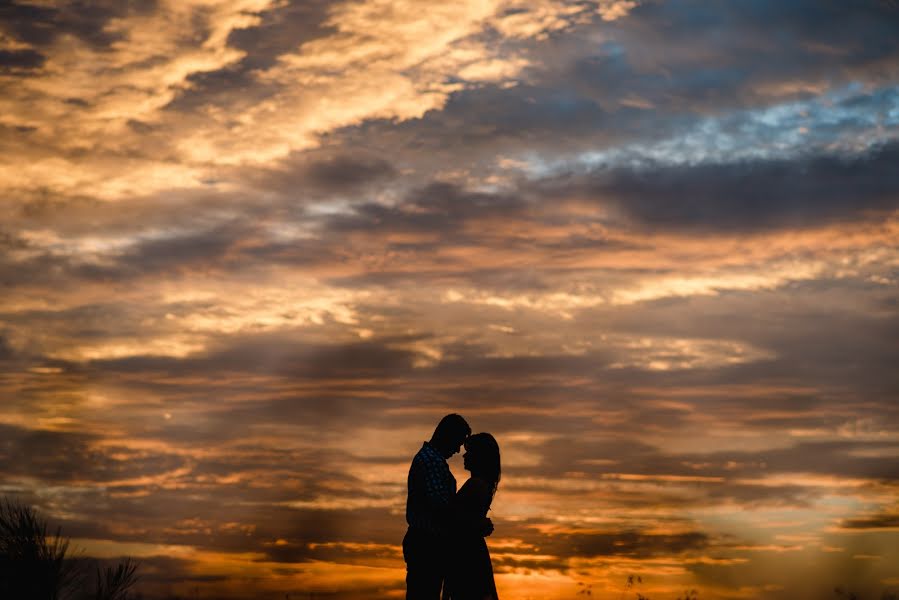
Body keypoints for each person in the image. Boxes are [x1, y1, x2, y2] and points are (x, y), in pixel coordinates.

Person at [404, 414, 472, 600]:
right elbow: (440, 506)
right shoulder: (431, 461)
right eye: (457, 442)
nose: (458, 450)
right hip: (427, 544)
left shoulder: (430, 459)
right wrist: (473, 523)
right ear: (447, 436)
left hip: (426, 543)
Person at [442, 432, 501, 600]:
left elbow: (452, 517)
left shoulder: (475, 484)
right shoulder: (482, 484)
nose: (464, 455)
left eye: (470, 451)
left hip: (466, 554)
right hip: (470, 550)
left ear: (480, 457)